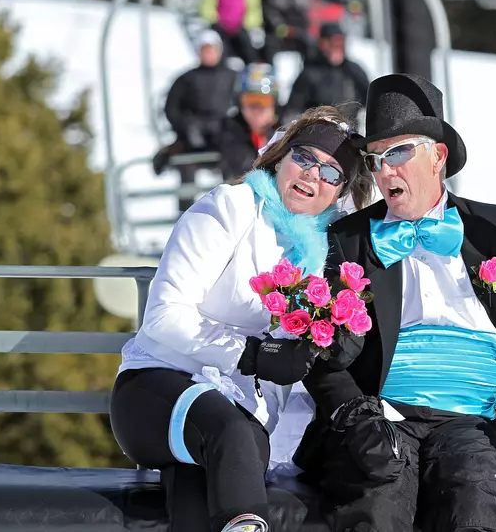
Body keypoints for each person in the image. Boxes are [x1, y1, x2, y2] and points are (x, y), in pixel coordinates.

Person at [296, 74, 496, 531]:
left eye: (398, 153)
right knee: (377, 494)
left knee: (471, 492)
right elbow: (322, 344)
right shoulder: (350, 241)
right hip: (384, 417)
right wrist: (353, 412)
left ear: (437, 156)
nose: (384, 172)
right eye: (375, 159)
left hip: (474, 421)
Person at [110, 107, 373, 532]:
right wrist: (251, 355)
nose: (312, 175)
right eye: (305, 158)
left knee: (221, 466)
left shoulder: (328, 252)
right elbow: (162, 316)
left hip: (241, 415)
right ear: (281, 157)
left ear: (341, 190)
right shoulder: (230, 207)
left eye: (330, 172)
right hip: (157, 386)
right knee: (230, 435)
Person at [154, 29, 239, 211]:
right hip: (192, 135)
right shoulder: (186, 79)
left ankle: (232, 209)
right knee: (185, 164)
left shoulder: (232, 77)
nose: (208, 53)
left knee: (236, 161)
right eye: (204, 49)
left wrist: (232, 128)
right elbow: (171, 108)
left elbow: (243, 105)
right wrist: (185, 129)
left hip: (223, 134)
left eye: (212, 49)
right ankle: (184, 213)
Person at [280, 23, 369, 128]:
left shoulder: (353, 71)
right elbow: (292, 111)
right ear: (322, 44)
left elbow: (372, 101)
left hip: (351, 135)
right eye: (332, 43)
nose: (336, 48)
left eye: (339, 44)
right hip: (319, 136)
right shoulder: (310, 74)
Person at [219, 63, 280, 182]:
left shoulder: (290, 132)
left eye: (264, 101)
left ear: (274, 104)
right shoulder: (229, 132)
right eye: (250, 101)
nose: (257, 109)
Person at [199, 0, 265, 65]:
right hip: (220, 26)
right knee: (219, 45)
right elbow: (207, 7)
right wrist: (216, 20)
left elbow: (254, 9)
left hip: (241, 27)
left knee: (247, 46)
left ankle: (253, 66)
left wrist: (246, 24)